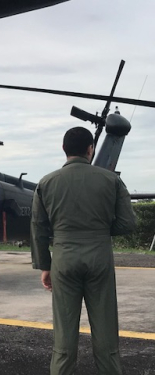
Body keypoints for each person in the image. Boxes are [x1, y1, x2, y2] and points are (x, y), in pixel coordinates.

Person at [31, 126, 136, 375]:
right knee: (106, 333)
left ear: (64, 149)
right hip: (99, 257)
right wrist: (99, 230)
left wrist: (45, 266)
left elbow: (38, 228)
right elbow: (127, 223)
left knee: (64, 337)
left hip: (64, 259)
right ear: (91, 150)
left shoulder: (46, 182)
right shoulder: (111, 180)